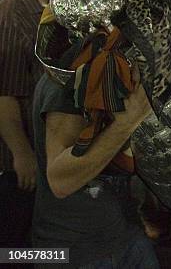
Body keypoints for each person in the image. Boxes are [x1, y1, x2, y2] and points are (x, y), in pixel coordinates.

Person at [31, 63, 159, 267]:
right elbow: (60, 181)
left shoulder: (110, 67)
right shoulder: (66, 77)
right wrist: (128, 122)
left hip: (124, 234)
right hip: (76, 250)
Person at [0, 0, 59, 249]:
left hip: (50, 151)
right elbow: (4, 94)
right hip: (23, 159)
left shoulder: (54, 7)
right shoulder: (11, 13)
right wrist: (21, 154)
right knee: (15, 244)